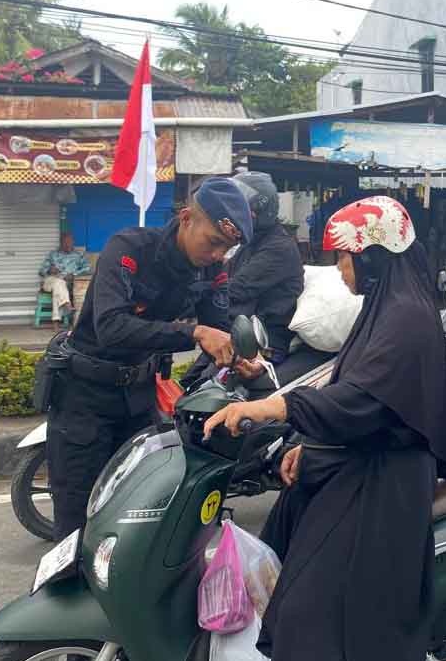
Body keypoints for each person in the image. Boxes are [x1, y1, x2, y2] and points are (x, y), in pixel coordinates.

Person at [203, 195, 446, 661]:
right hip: (358, 465)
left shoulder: (407, 318)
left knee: (310, 614)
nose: (340, 269)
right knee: (284, 568)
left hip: (384, 484)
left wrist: (271, 407)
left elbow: (362, 402)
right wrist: (309, 443)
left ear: (373, 257)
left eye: (344, 257)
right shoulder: (385, 307)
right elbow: (347, 382)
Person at [46, 177, 251, 539]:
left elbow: (217, 326)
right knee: (76, 528)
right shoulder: (129, 248)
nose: (219, 255)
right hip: (85, 398)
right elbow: (111, 327)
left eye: (228, 249)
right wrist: (193, 333)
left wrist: (237, 356)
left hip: (139, 401)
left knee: (136, 519)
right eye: (214, 242)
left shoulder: (211, 270)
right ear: (187, 218)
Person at [180, 171, 304, 389]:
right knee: (189, 384)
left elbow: (235, 290)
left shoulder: (278, 248)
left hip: (262, 346)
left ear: (260, 212)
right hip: (237, 337)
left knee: (203, 400)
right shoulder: (250, 245)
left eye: (242, 209)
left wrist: (183, 307)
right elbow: (220, 281)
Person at [39, 232, 91, 327]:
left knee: (58, 288)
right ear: (61, 243)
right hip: (51, 280)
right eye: (65, 242)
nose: (67, 244)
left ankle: (56, 321)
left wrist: (74, 274)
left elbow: (87, 268)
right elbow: (41, 271)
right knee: (59, 283)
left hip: (65, 284)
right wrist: (49, 270)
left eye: (69, 242)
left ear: (73, 242)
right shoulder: (53, 254)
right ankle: (67, 305)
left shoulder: (78, 255)